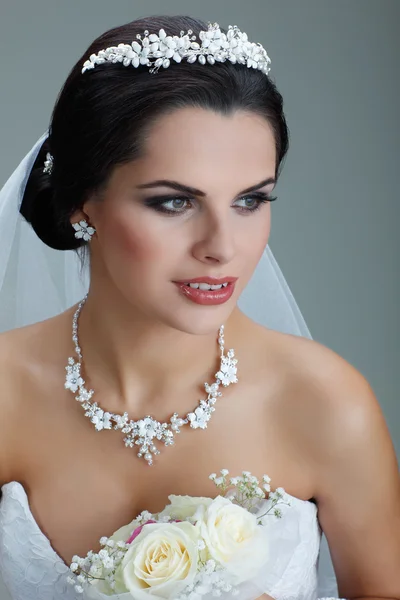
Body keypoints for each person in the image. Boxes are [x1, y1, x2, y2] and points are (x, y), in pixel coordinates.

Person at [0, 14, 399, 600]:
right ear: (83, 203)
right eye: (173, 202)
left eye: (250, 200)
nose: (222, 248)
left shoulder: (325, 404)